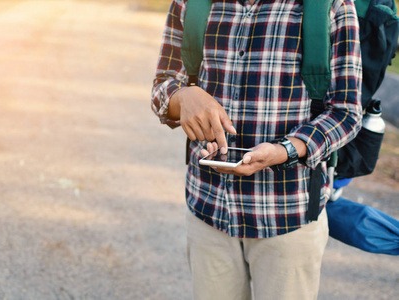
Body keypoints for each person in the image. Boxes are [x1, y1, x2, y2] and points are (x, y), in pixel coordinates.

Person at [151, 0, 362, 299]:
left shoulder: (331, 5)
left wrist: (285, 150)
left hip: (288, 216)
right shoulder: (190, 3)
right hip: (208, 210)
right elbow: (162, 86)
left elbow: (346, 112)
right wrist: (183, 96)